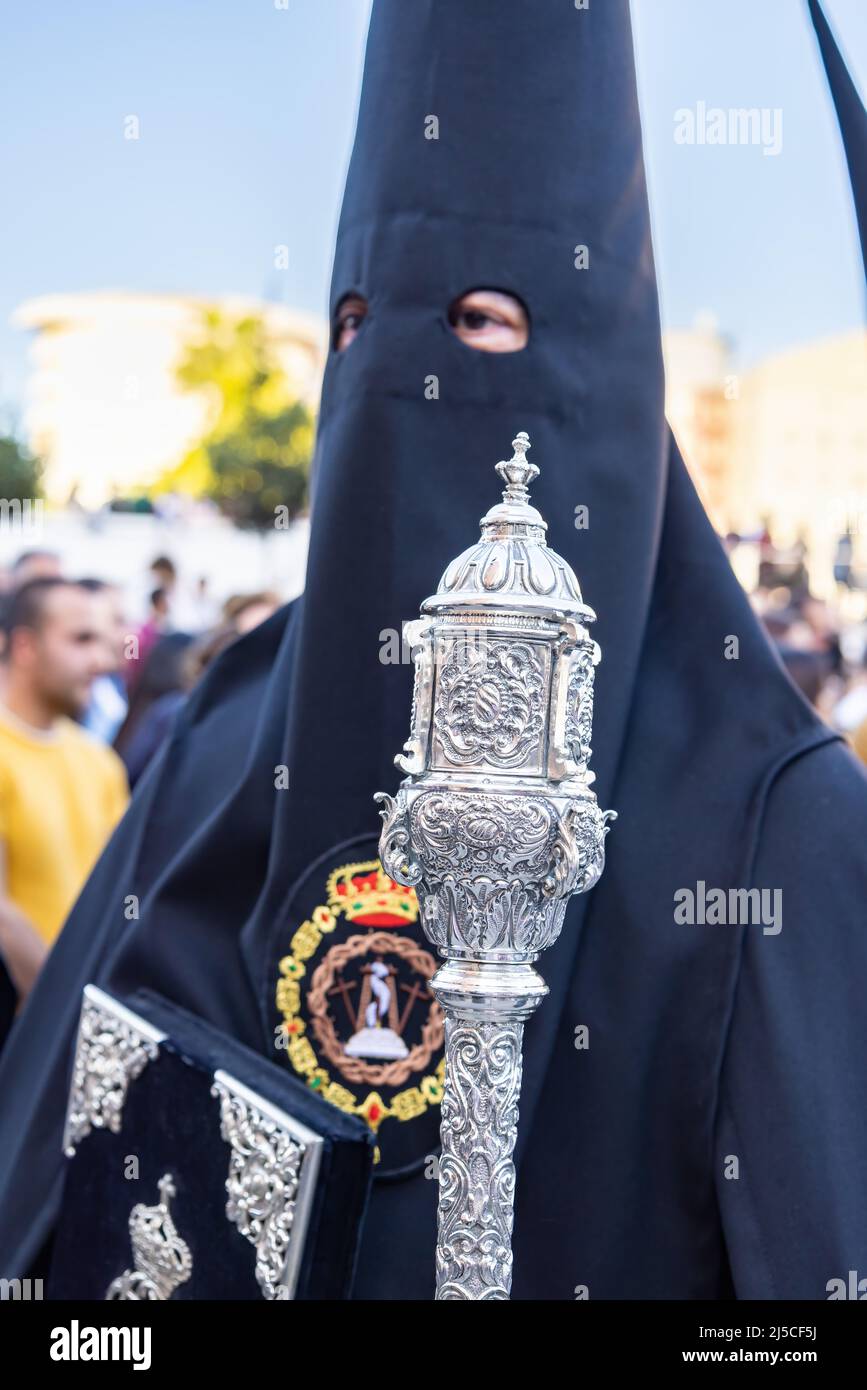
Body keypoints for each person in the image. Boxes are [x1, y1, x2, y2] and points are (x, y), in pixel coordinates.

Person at [1, 0, 867, 1302]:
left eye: (477, 323)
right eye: (358, 324)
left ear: (602, 375)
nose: (399, 370)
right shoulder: (233, 736)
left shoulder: (770, 813)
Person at [0, 580, 128, 1006]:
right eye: (81, 640)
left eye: (103, 642)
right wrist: (58, 1009)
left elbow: (121, 891)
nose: (101, 660)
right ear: (25, 647)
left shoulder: (98, 761)